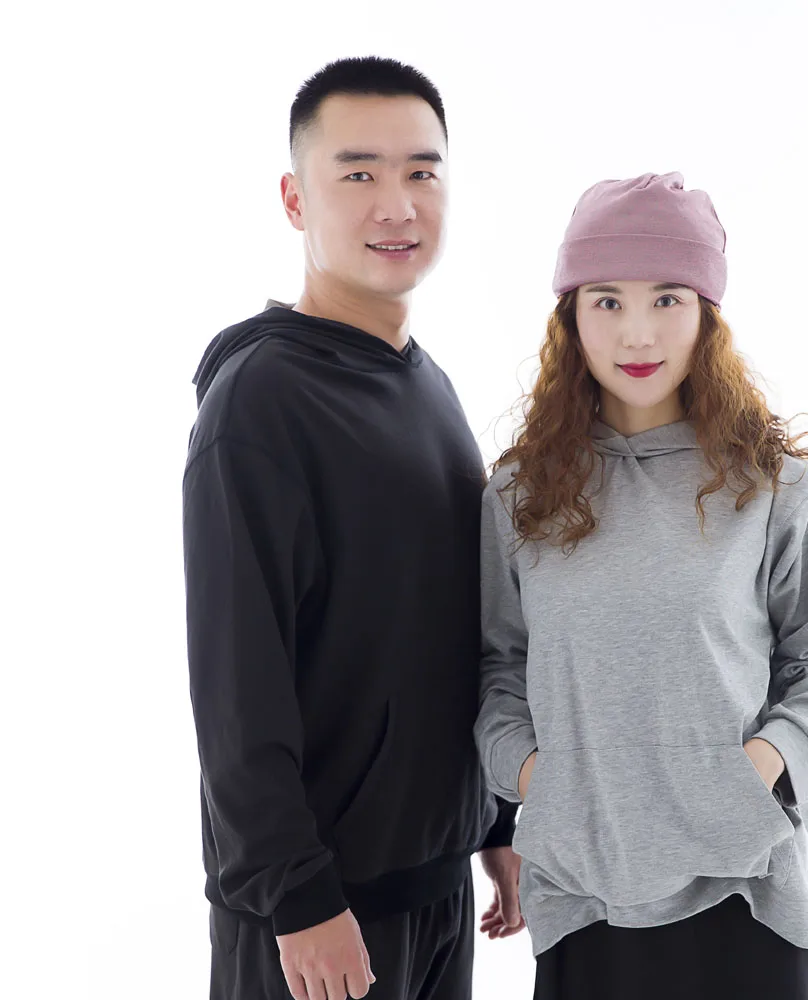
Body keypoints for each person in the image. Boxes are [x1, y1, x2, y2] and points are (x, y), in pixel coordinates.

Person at [474, 172, 808, 1000]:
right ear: (571, 316)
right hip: (585, 896)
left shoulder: (767, 483)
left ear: (706, 314)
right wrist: (539, 779)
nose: (637, 330)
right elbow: (496, 670)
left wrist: (759, 768)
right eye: (607, 300)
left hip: (749, 896)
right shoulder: (519, 495)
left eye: (667, 298)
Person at [182, 56, 524, 1000]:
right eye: (359, 173)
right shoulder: (261, 401)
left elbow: (450, 629)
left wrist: (494, 822)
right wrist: (297, 897)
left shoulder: (427, 384)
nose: (396, 205)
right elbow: (236, 678)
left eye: (421, 172)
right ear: (296, 199)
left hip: (433, 890)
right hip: (318, 914)